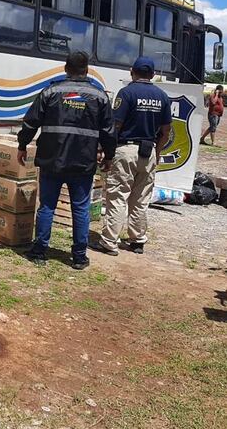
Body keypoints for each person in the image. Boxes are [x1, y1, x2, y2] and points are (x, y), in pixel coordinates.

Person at [17, 51, 116, 270]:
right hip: (83, 163)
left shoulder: (51, 92)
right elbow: (109, 131)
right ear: (87, 70)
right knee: (80, 209)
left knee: (47, 207)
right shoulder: (99, 96)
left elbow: (31, 122)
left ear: (65, 68)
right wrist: (109, 156)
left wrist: (22, 145)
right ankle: (79, 257)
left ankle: (39, 251)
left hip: (52, 160)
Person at [94, 57, 172, 256]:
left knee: (118, 196)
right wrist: (157, 152)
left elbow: (115, 126)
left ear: (132, 72)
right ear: (152, 74)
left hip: (126, 150)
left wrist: (107, 152)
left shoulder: (127, 93)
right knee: (141, 199)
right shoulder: (162, 96)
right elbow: (166, 132)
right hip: (149, 150)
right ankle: (137, 240)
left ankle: (109, 242)